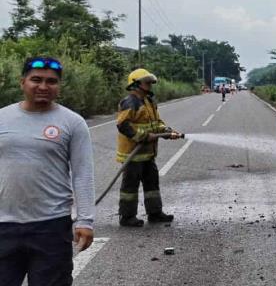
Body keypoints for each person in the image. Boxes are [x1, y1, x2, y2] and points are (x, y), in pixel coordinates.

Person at [0, 57, 95, 285]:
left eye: (51, 81)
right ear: (22, 82)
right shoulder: (2, 118)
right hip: (3, 225)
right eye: (36, 79)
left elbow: (83, 173)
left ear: (58, 86)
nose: (43, 86)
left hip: (51, 226)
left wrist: (86, 221)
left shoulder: (73, 122)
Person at [116, 68, 181, 227]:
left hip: (148, 153)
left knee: (152, 184)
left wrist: (166, 131)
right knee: (130, 188)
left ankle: (155, 213)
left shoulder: (149, 101)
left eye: (151, 82)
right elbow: (123, 125)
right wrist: (143, 136)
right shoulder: (130, 102)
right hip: (133, 154)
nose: (150, 85)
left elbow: (156, 122)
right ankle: (127, 216)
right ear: (136, 84)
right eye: (147, 82)